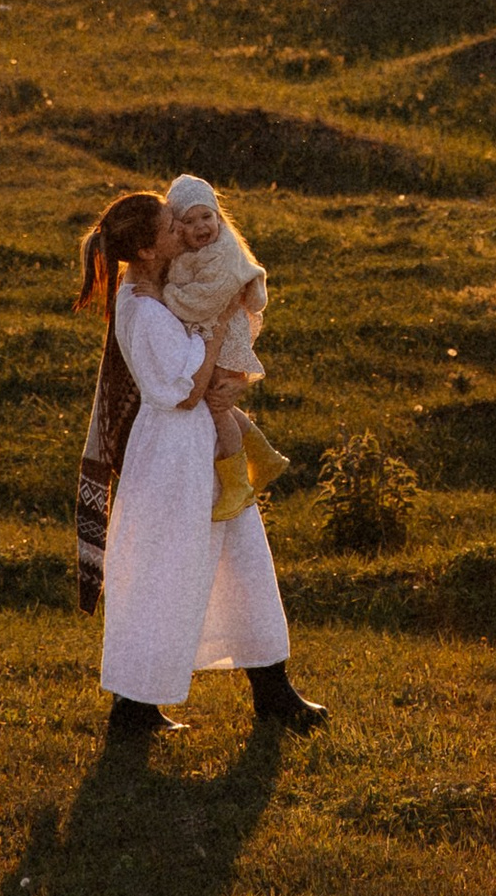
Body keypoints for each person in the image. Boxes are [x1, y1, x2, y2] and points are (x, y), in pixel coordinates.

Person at [72, 189, 325, 740]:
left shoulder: (158, 293)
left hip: (198, 447)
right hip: (170, 455)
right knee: (163, 575)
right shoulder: (140, 308)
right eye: (168, 227)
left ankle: (272, 688)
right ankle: (134, 708)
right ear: (144, 249)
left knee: (243, 560)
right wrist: (212, 333)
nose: (180, 232)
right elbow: (184, 389)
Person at [158, 171, 287, 523]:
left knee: (215, 406)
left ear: (219, 216)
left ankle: (236, 483)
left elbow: (205, 301)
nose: (201, 225)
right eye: (189, 220)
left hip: (224, 340)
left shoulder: (222, 254)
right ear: (176, 227)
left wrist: (166, 297)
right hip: (215, 335)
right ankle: (264, 455)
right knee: (218, 403)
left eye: (207, 216)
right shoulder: (199, 251)